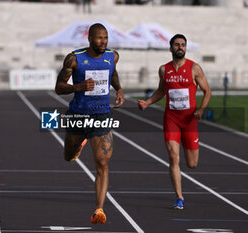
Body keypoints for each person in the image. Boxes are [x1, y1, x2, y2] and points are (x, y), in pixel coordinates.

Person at [55, 23, 124, 224]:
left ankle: (99, 209)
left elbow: (113, 74)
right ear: (89, 39)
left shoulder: (113, 56)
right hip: (78, 115)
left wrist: (119, 89)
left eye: (105, 38)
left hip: (102, 115)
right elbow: (59, 88)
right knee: (68, 156)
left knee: (102, 162)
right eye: (99, 38)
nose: (103, 42)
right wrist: (79, 86)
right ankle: (78, 145)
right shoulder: (75, 59)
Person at [138, 34, 211, 209]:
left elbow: (207, 91)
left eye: (183, 45)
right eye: (177, 45)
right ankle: (179, 197)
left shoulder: (194, 68)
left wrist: (201, 109)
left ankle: (181, 191)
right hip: (171, 119)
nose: (180, 47)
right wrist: (147, 102)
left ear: (185, 48)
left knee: (192, 164)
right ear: (171, 48)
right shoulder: (164, 69)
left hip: (189, 120)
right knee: (173, 156)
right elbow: (161, 91)